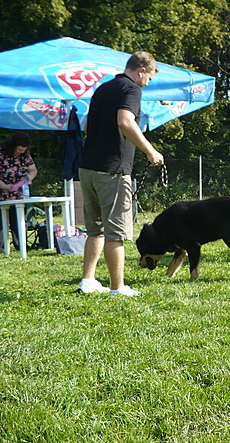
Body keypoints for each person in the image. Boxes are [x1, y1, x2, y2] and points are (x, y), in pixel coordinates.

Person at [77, 51, 164, 296]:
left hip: (87, 167)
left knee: (95, 229)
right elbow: (125, 121)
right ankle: (118, 287)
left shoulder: (102, 89)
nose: (148, 84)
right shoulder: (132, 89)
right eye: (149, 78)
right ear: (141, 71)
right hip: (112, 170)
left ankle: (88, 280)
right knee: (116, 231)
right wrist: (150, 151)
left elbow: (86, 125)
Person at [0, 132, 38, 250]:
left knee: (19, 219)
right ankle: (2, 247)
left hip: (18, 193)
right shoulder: (1, 153)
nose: (21, 151)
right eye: (20, 149)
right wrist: (6, 187)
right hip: (2, 190)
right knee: (1, 222)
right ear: (13, 146)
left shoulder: (25, 156)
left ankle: (21, 245)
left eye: (24, 149)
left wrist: (26, 179)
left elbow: (33, 170)